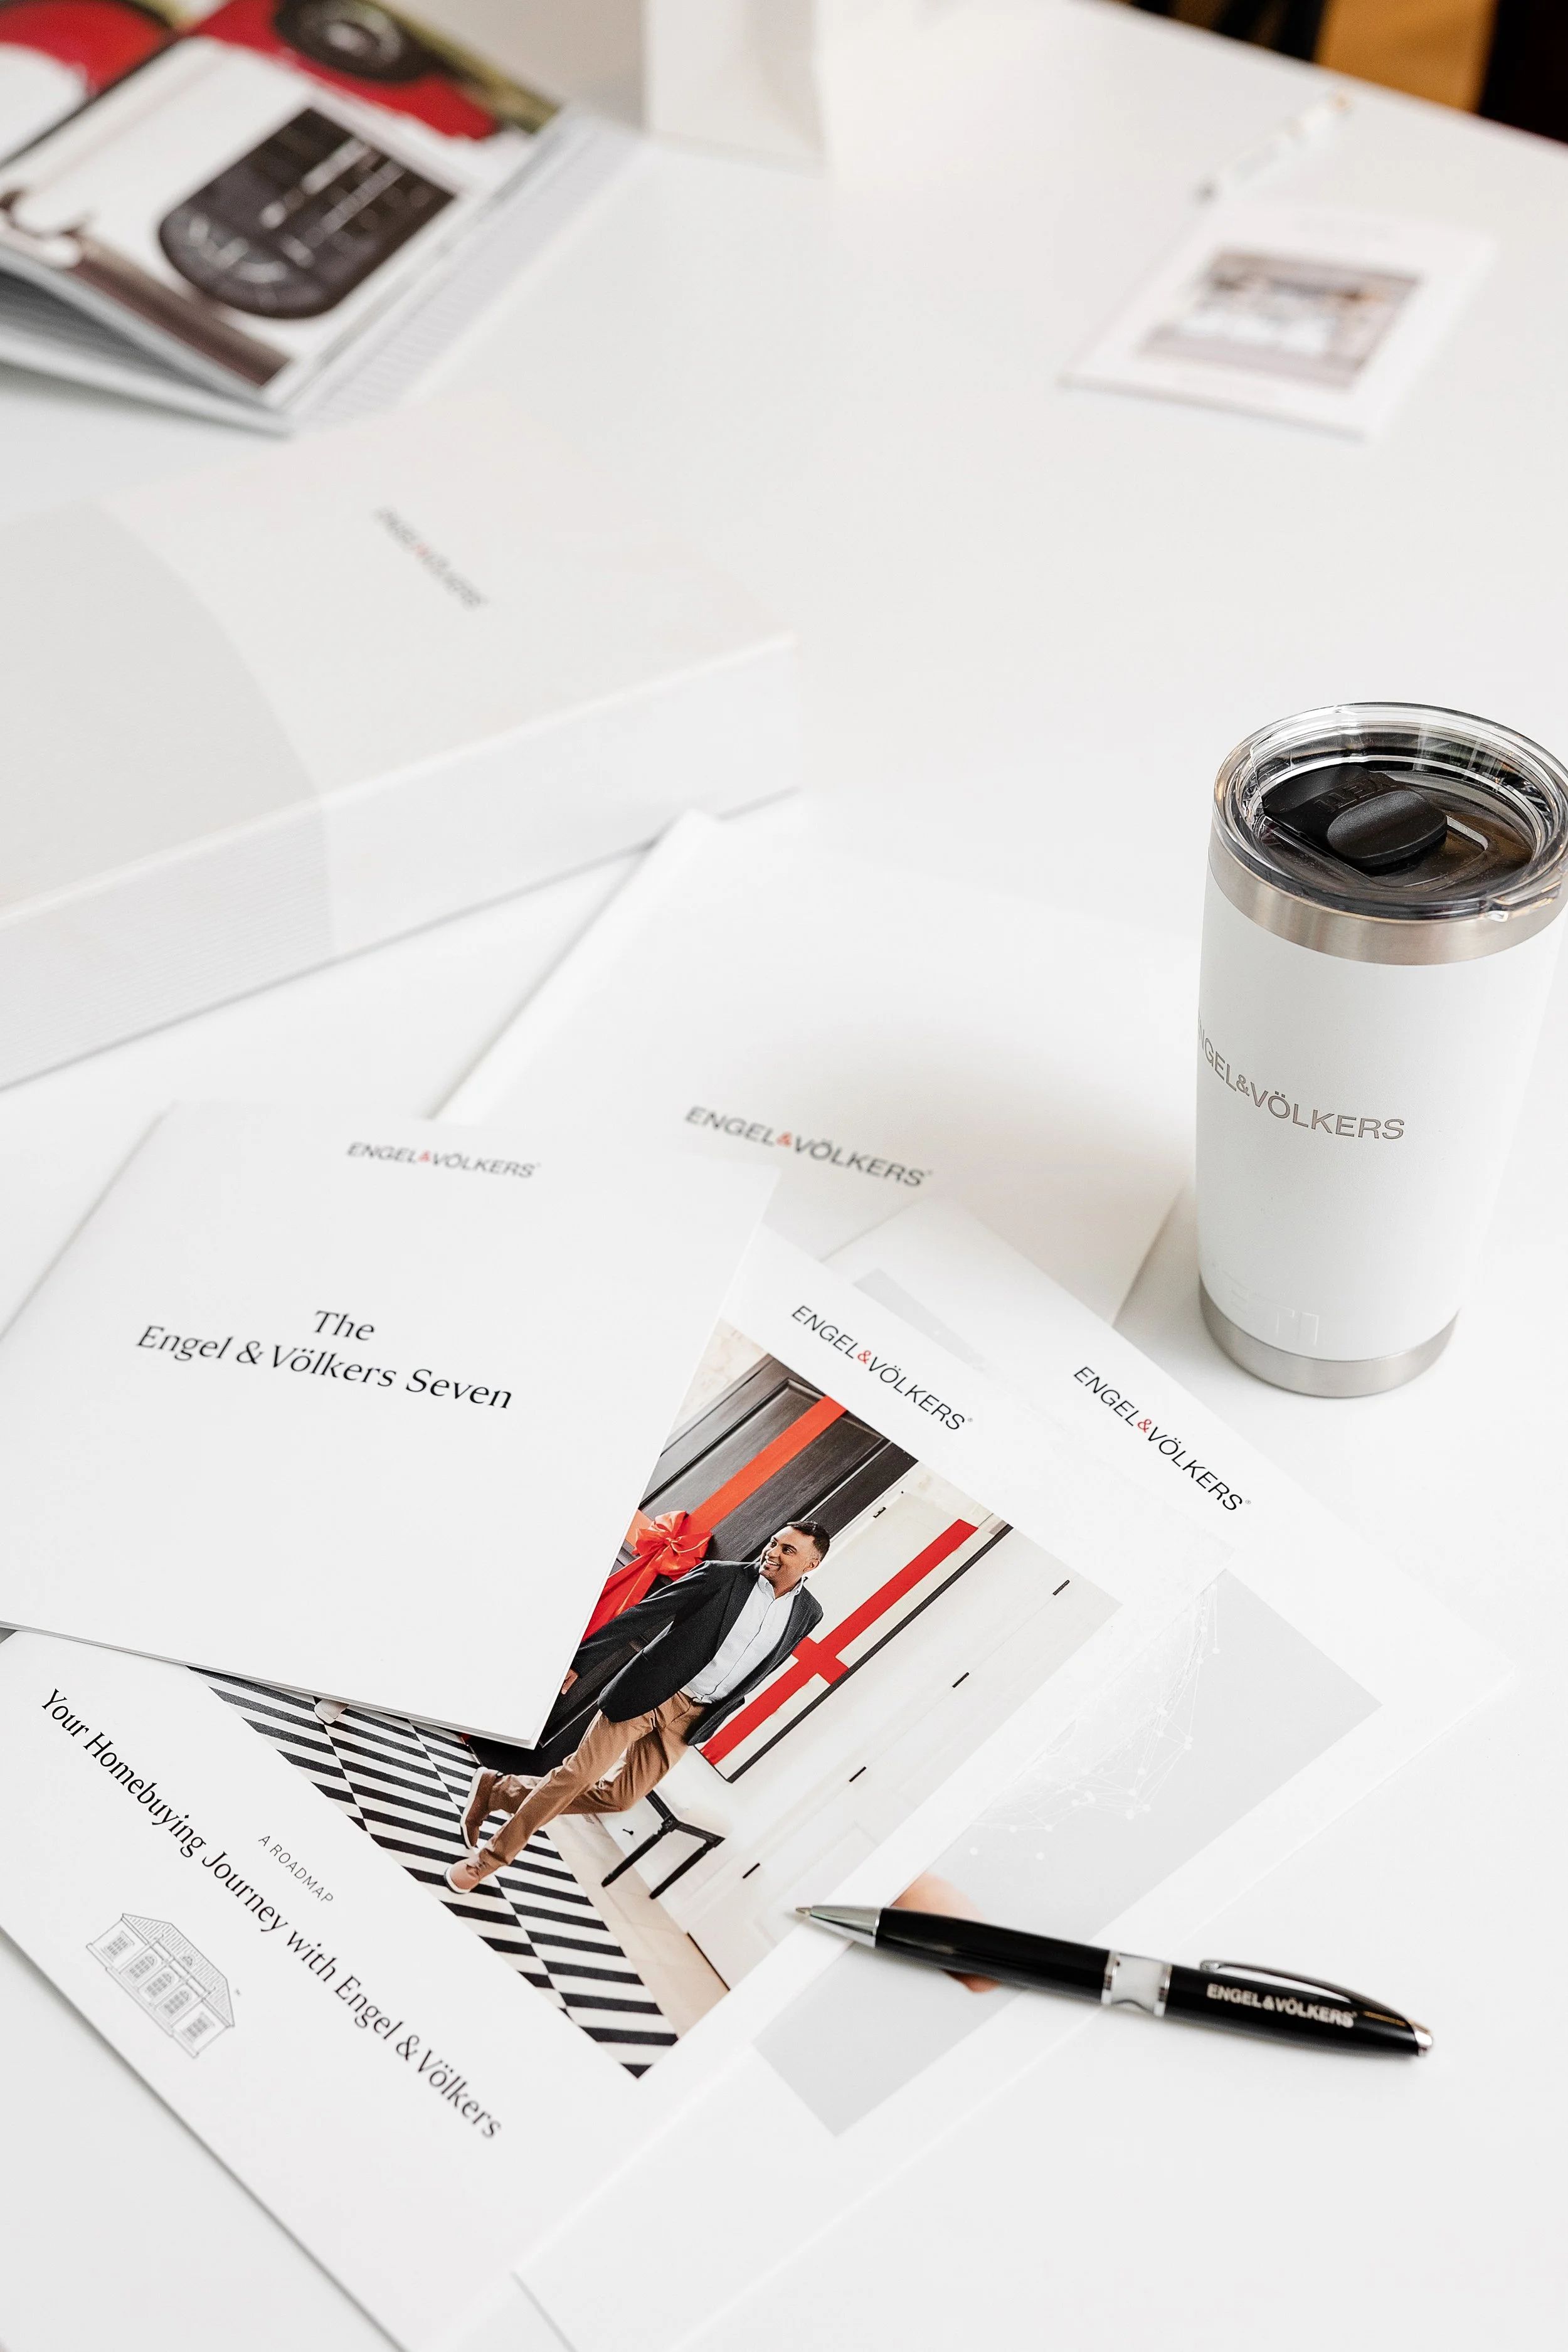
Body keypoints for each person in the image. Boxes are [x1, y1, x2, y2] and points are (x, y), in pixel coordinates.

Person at [448, 1522, 829, 1892]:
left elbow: (765, 1664)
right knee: (578, 1775)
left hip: (695, 1718)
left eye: (788, 1550)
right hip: (650, 1692)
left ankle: (498, 1791)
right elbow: (645, 1614)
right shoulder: (722, 1576)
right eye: (775, 1542)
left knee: (621, 1797)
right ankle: (490, 1859)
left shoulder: (808, 1614)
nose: (773, 1552)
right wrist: (581, 1662)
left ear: (811, 1565)